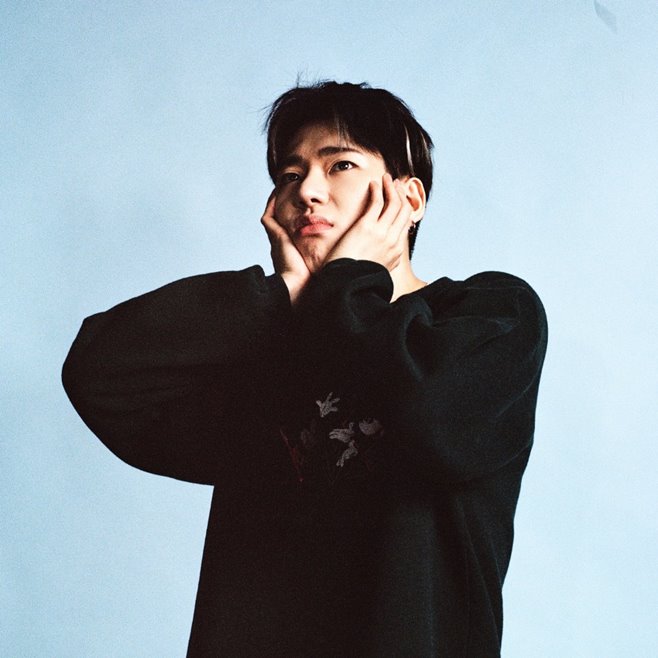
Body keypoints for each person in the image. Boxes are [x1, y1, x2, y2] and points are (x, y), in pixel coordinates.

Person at [62, 81, 548, 657]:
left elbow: (432, 421)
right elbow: (100, 375)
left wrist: (347, 282)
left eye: (340, 165)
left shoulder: (491, 314)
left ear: (410, 199)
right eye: (290, 175)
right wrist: (281, 295)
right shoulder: (267, 347)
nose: (307, 191)